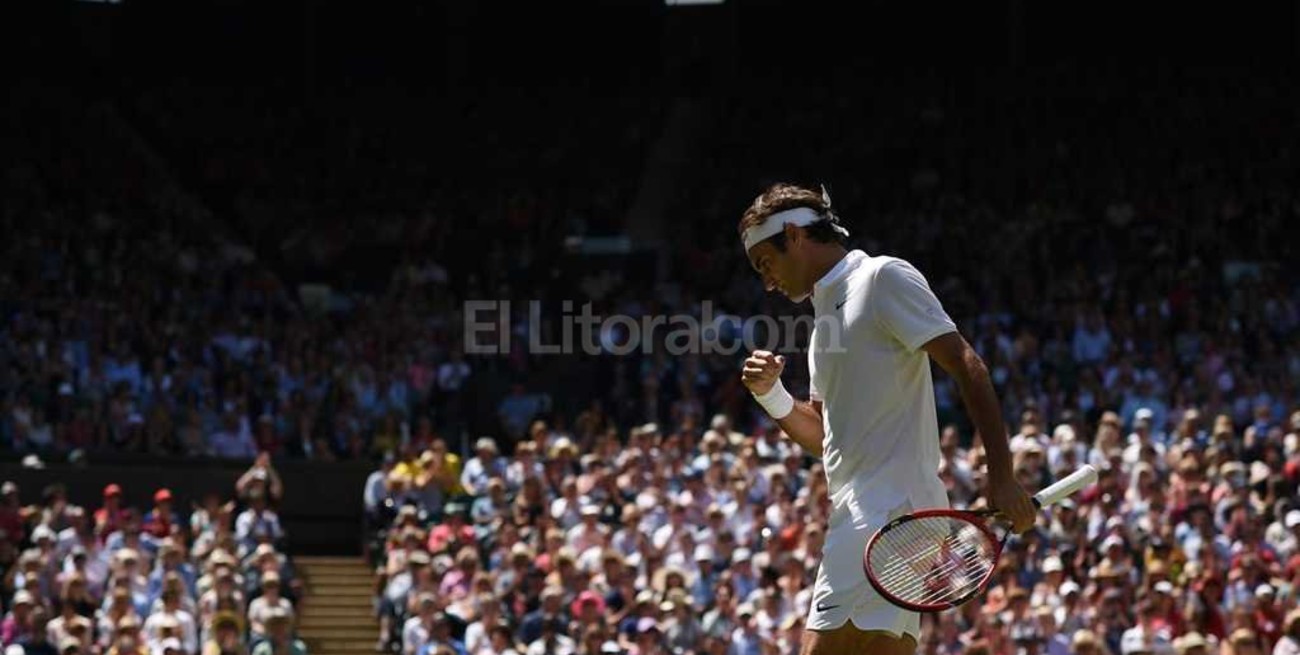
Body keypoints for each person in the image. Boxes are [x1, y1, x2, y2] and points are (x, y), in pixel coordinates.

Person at [738, 183, 1036, 655]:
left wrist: (1002, 475)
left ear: (793, 235)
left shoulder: (881, 278)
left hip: (887, 514)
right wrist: (770, 395)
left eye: (765, 263)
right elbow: (826, 439)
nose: (767, 282)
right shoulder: (822, 326)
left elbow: (966, 365)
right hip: (874, 515)